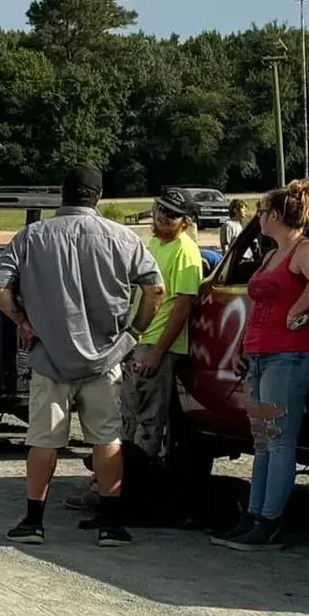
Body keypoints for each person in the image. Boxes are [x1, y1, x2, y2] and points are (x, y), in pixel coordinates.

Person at [0, 165, 164, 547]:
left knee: (43, 441)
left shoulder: (32, 236)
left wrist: (22, 320)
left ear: (62, 193)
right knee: (107, 439)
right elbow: (155, 289)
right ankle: (110, 525)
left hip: (49, 358)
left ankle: (33, 522)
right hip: (105, 359)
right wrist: (133, 334)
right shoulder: (124, 238)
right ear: (98, 197)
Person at [214, 181, 309, 551]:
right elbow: (259, 304)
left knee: (279, 439)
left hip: (288, 355)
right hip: (261, 354)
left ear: (278, 216)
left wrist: (297, 311)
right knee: (263, 441)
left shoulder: (303, 250)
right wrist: (243, 344)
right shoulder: (272, 255)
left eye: (263, 211)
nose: (259, 217)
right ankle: (254, 514)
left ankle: (269, 519)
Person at [123, 189, 206, 481]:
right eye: (160, 209)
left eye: (172, 214)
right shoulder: (156, 243)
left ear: (185, 221)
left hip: (158, 345)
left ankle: (138, 483)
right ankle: (119, 478)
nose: (162, 217)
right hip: (141, 340)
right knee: (129, 415)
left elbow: (182, 307)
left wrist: (158, 353)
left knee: (148, 420)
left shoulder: (185, 250)